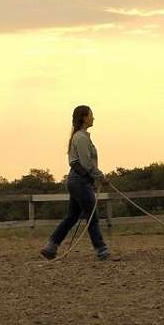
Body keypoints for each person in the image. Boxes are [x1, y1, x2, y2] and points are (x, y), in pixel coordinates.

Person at [40, 105, 120, 261]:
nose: (93, 118)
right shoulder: (82, 138)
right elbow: (87, 164)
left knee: (72, 216)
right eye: (91, 115)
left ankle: (50, 247)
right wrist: (101, 177)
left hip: (75, 180)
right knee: (92, 217)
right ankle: (102, 251)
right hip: (80, 181)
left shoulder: (78, 137)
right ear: (84, 118)